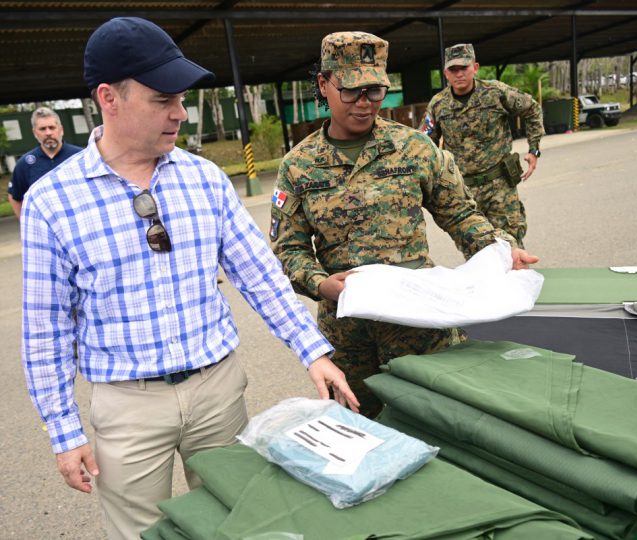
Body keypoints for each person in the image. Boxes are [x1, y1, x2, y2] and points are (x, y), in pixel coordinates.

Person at [21, 17, 358, 540]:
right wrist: (64, 432)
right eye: (162, 100)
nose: (181, 113)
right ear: (109, 98)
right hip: (128, 406)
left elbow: (260, 274)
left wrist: (314, 352)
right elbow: (45, 330)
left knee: (233, 520)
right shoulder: (51, 201)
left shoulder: (204, 179)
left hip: (217, 391)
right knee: (142, 534)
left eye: (181, 99)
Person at [270, 31, 538, 418]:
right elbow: (289, 249)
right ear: (323, 84)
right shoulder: (299, 165)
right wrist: (320, 284)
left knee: (443, 418)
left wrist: (497, 247)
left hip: (420, 321)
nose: (364, 104)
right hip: (349, 332)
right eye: (351, 91)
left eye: (375, 92)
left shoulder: (414, 148)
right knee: (364, 427)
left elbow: (460, 213)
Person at [419, 43, 546, 248]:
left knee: (510, 247)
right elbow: (426, 145)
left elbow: (532, 110)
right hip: (465, 192)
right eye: (453, 69)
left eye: (464, 67)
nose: (459, 74)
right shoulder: (438, 104)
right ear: (446, 73)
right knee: (475, 250)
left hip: (500, 186)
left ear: (475, 67)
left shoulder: (496, 92)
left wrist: (534, 149)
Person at [7, 107, 81, 218]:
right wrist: (26, 224)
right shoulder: (25, 164)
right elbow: (15, 197)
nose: (48, 133)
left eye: (52, 127)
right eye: (42, 129)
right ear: (35, 132)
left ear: (61, 130)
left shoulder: (80, 156)